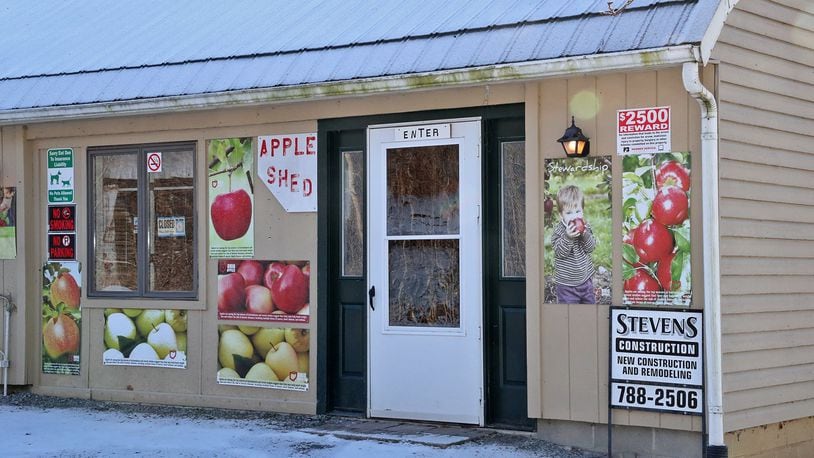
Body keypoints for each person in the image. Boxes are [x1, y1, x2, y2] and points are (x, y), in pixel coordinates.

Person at [551, 185, 596, 304]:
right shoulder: (559, 231)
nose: (575, 216)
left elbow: (590, 248)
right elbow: (560, 253)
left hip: (586, 281)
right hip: (567, 286)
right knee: (569, 313)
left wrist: (585, 234)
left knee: (589, 308)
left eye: (578, 211)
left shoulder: (585, 227)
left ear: (583, 211)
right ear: (561, 215)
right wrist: (568, 237)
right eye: (569, 213)